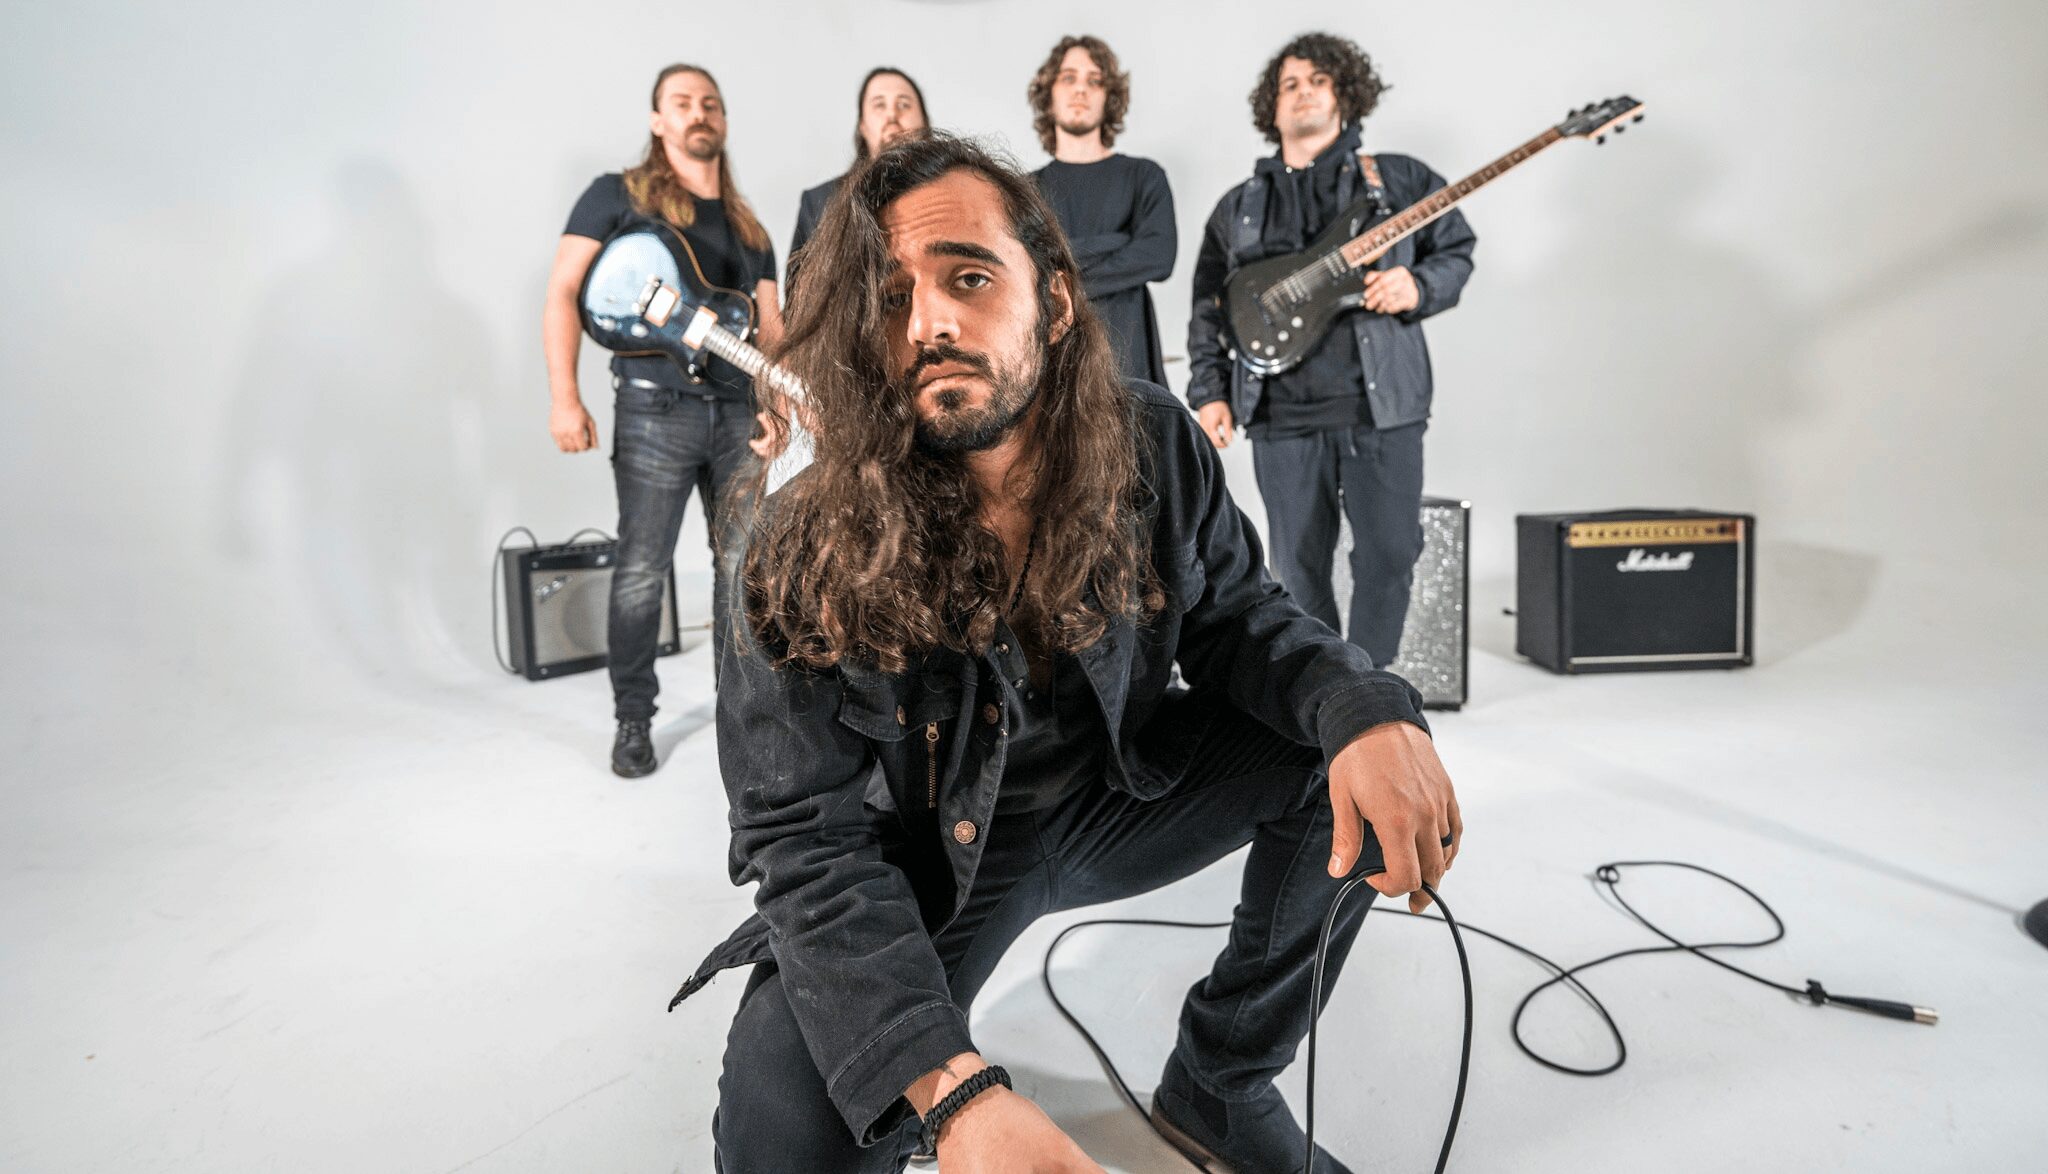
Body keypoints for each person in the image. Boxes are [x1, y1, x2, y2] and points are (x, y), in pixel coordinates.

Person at [673, 133, 1463, 1174]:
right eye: (888, 299)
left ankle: (1220, 1083)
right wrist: (954, 1094)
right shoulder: (792, 546)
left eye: (967, 277)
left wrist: (1364, 708)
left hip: (1116, 791)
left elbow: (1238, 619)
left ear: (1050, 302)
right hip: (924, 864)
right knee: (784, 1151)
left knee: (1341, 750)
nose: (928, 323)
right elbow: (803, 840)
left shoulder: (1151, 441)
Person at [1187, 33, 1477, 668]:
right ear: (1272, 106)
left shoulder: (1398, 181)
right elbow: (1209, 305)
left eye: (1318, 81)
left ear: (1344, 94)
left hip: (1381, 408)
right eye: (1290, 84)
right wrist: (1209, 392)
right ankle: (1324, 693)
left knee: (1392, 553)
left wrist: (1418, 285)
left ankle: (1371, 689)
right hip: (1281, 414)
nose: (1304, 93)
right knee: (1296, 566)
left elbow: (1456, 248)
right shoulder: (1238, 208)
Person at [542, 63, 781, 777]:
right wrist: (564, 396)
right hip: (653, 408)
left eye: (710, 103)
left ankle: (743, 717)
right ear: (657, 120)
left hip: (738, 413)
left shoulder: (749, 227)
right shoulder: (615, 195)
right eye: (682, 102)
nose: (698, 112)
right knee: (643, 568)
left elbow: (772, 332)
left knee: (742, 569)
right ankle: (633, 720)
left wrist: (780, 406)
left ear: (724, 121)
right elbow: (563, 291)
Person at [1027, 35, 1176, 385]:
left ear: (1109, 97)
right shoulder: (1025, 190)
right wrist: (1118, 243)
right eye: (1069, 78)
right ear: (1049, 95)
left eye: (1094, 81)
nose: (1081, 89)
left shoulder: (1144, 176)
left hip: (1130, 367)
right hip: (1055, 371)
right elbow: (1026, 272)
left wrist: (1062, 268)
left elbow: (1159, 257)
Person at [786, 67, 930, 292]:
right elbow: (797, 293)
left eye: (904, 104)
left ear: (924, 123)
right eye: (879, 105)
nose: (892, 116)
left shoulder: (954, 195)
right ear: (862, 126)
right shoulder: (819, 201)